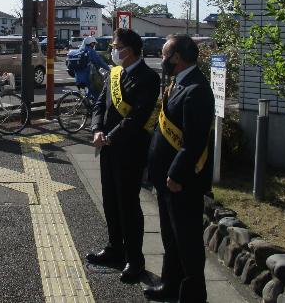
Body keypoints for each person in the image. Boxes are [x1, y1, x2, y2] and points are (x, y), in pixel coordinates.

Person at [144, 34, 215, 303]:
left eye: (164, 54)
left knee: (187, 241)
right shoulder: (177, 83)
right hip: (166, 180)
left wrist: (176, 173)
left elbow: (194, 141)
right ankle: (170, 286)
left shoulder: (196, 89)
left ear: (176, 57)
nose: (161, 59)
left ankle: (193, 296)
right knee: (171, 237)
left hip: (182, 182)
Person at [87, 28, 160, 284]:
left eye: (117, 46)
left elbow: (137, 117)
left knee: (128, 205)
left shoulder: (148, 77)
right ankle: (114, 248)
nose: (113, 51)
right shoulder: (114, 74)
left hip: (129, 150)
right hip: (105, 147)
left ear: (130, 49)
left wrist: (111, 136)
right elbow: (99, 104)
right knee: (110, 201)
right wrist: (97, 129)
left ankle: (135, 259)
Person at [73, 36, 111, 102]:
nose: (94, 45)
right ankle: (96, 109)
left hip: (78, 77)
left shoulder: (80, 50)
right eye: (94, 43)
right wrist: (109, 69)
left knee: (90, 91)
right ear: (91, 43)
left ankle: (88, 105)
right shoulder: (90, 51)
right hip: (87, 78)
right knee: (98, 93)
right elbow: (100, 62)